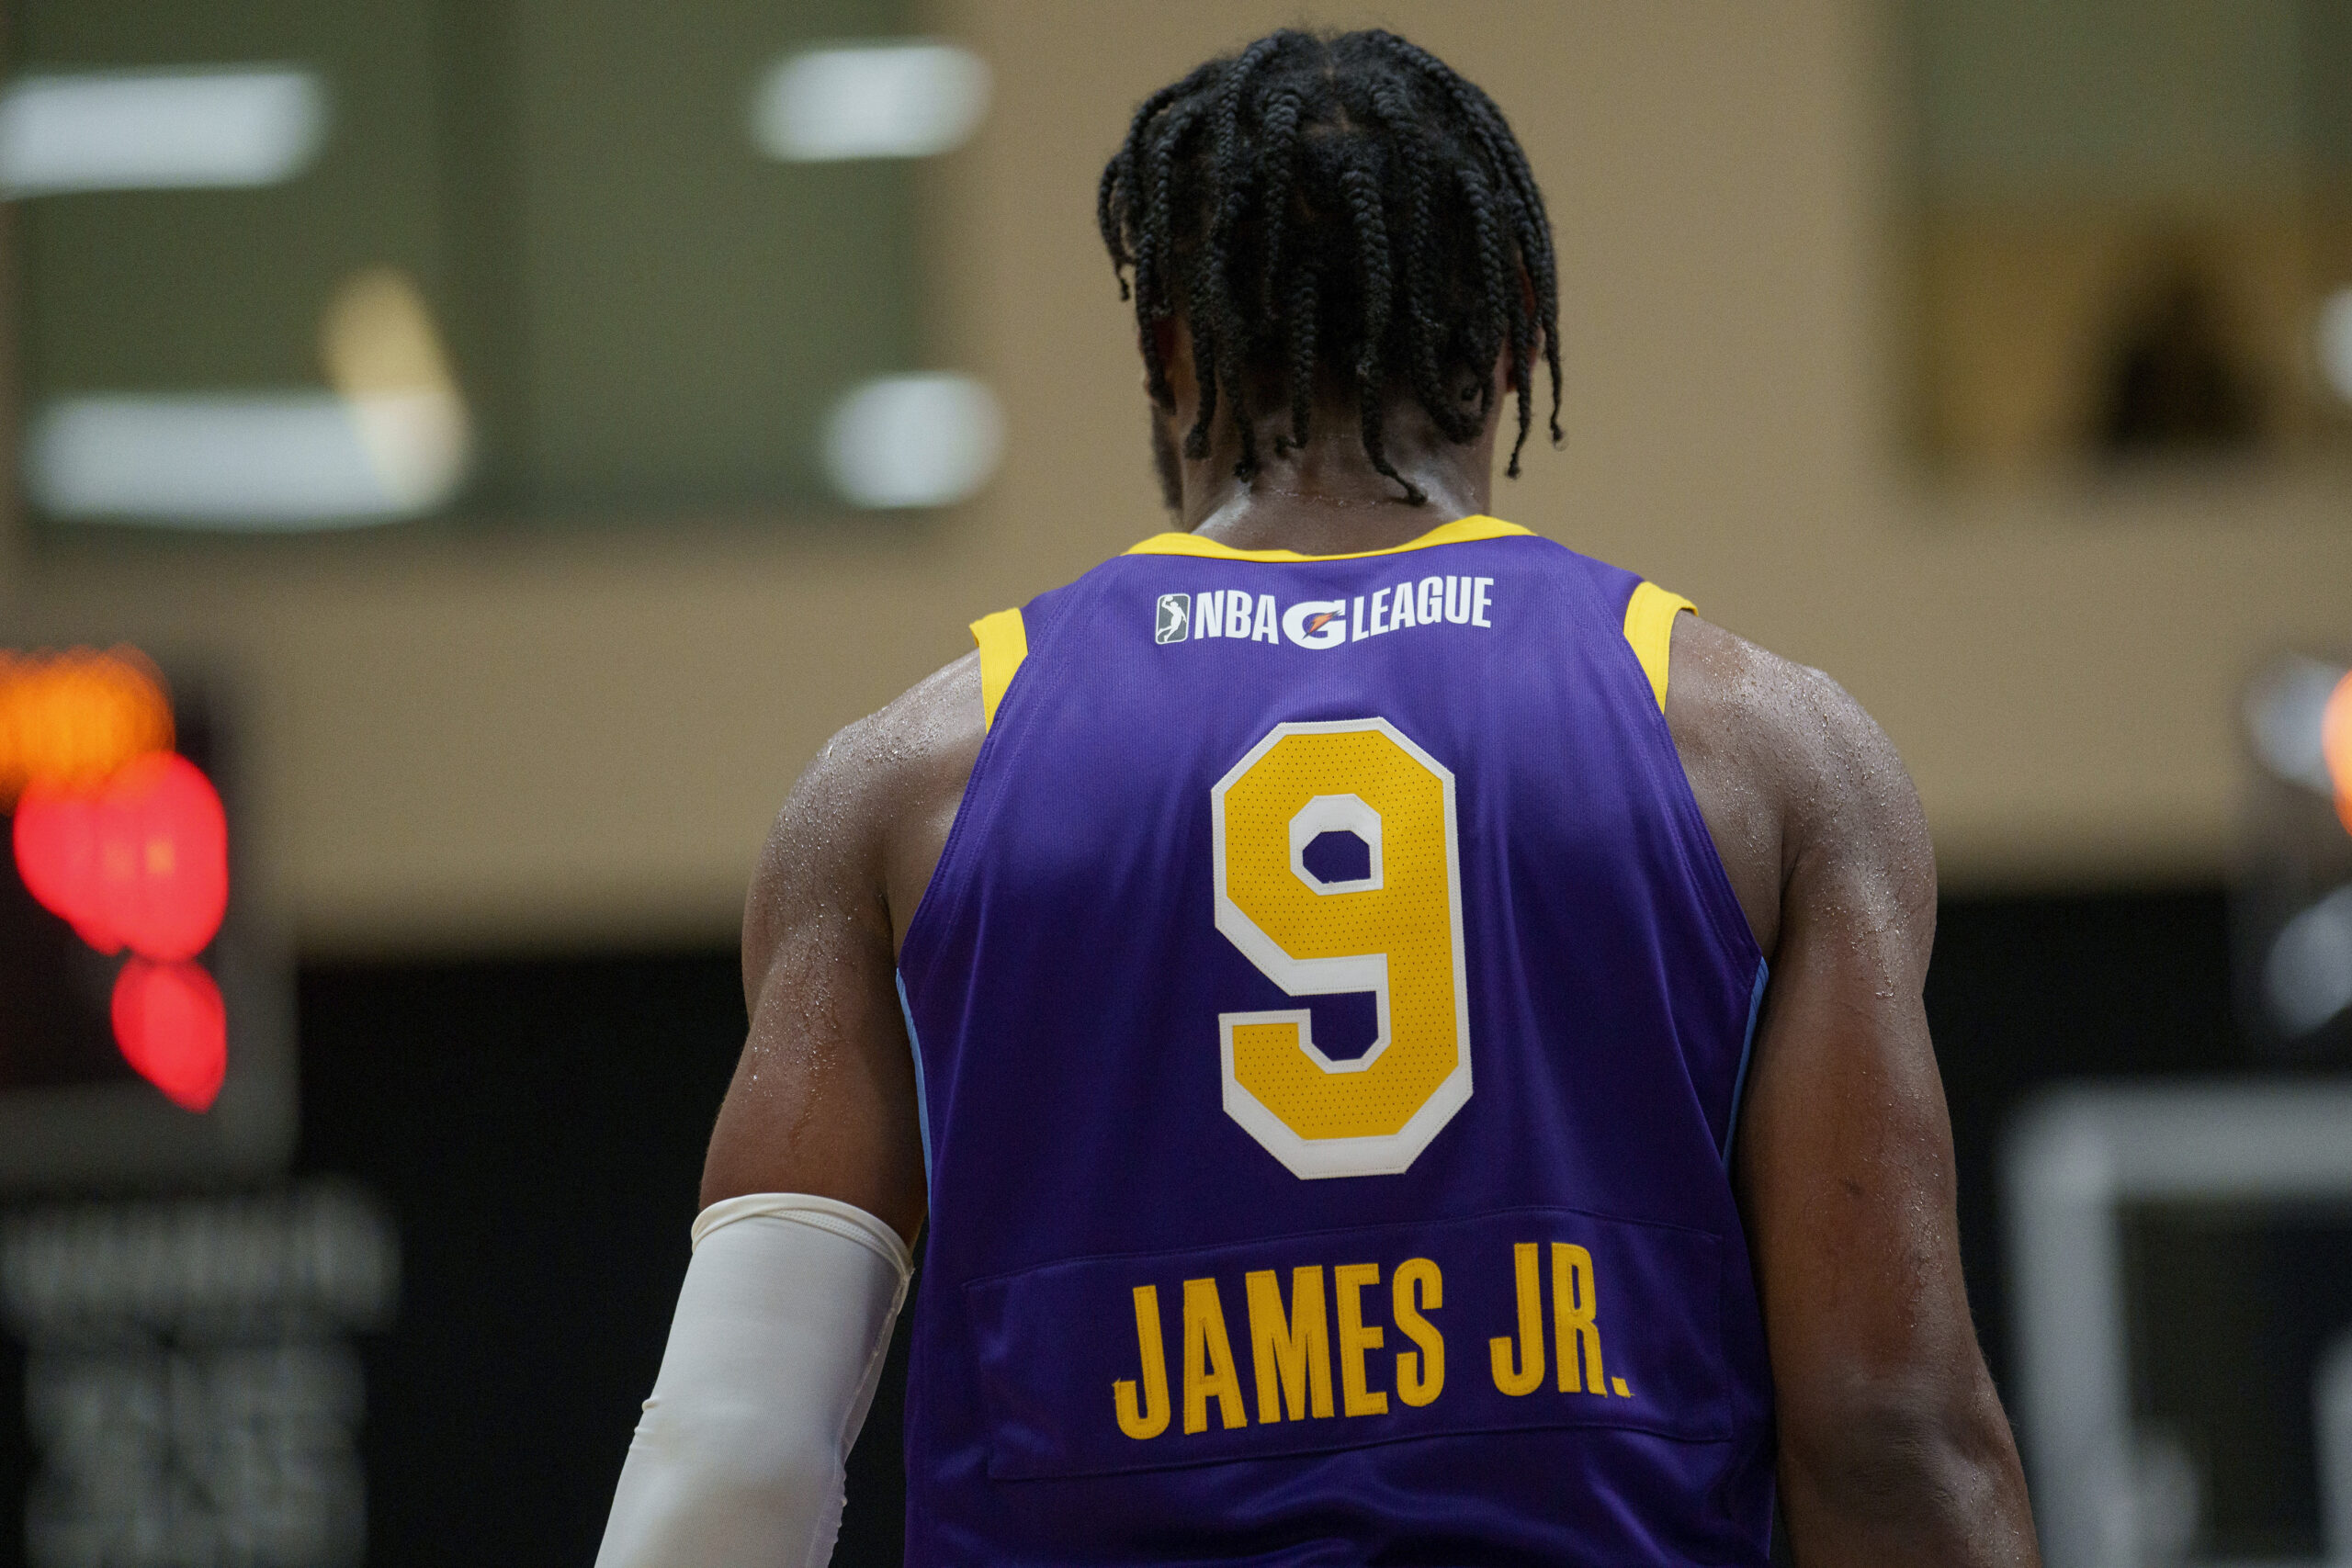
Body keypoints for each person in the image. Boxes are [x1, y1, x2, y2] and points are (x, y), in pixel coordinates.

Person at [596, 28, 2040, 1567]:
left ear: (1168, 353)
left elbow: (738, 1454)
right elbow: (1887, 1435)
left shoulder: (907, 784)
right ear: (1515, 337)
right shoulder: (1766, 756)